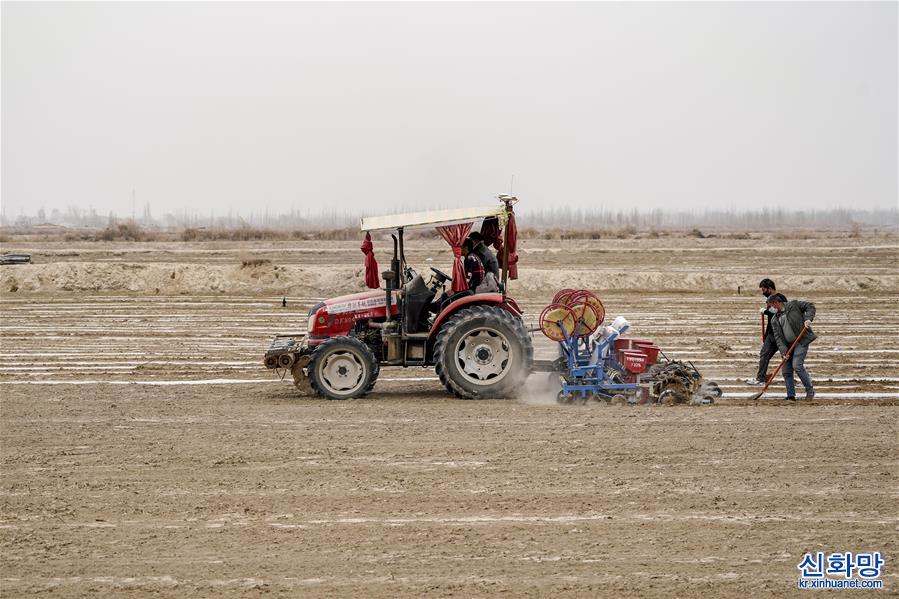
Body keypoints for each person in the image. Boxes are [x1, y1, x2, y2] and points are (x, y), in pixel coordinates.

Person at [767, 293, 817, 400]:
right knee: (786, 371)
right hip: (788, 346)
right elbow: (778, 338)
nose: (771, 309)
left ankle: (810, 390)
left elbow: (810, 306)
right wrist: (784, 352)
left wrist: (808, 319)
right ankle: (790, 395)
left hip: (800, 341)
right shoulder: (774, 319)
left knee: (797, 365)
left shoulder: (793, 305)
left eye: (771, 306)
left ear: (776, 303)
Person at [745, 278, 780, 386]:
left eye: (764, 289)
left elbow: (778, 312)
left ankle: (802, 379)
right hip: (771, 334)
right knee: (764, 355)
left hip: (780, 335)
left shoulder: (779, 298)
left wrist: (765, 311)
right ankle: (760, 378)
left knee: (789, 358)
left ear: (769, 288)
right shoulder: (771, 298)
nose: (762, 292)